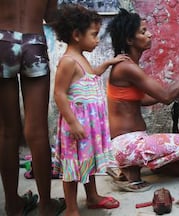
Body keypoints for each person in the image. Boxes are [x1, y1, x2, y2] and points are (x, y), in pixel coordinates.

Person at [105, 9, 179, 192]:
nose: (149, 34)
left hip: (133, 141)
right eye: (143, 32)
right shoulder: (127, 67)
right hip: (128, 143)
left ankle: (129, 169)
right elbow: (165, 97)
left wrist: (176, 94)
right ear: (129, 40)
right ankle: (129, 170)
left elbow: (142, 100)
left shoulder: (127, 66)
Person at [49, 4, 130, 215]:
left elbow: (91, 74)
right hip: (76, 126)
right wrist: (73, 122)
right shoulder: (68, 61)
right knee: (72, 169)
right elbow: (59, 93)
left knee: (87, 162)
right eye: (94, 35)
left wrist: (109, 63)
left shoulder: (81, 58)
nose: (97, 40)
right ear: (77, 35)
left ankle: (92, 197)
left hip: (88, 127)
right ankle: (72, 208)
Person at [0, 0, 67, 215]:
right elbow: (52, 16)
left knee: (7, 132)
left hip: (1, 41)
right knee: (37, 131)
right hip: (34, 42)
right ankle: (46, 205)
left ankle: (12, 204)